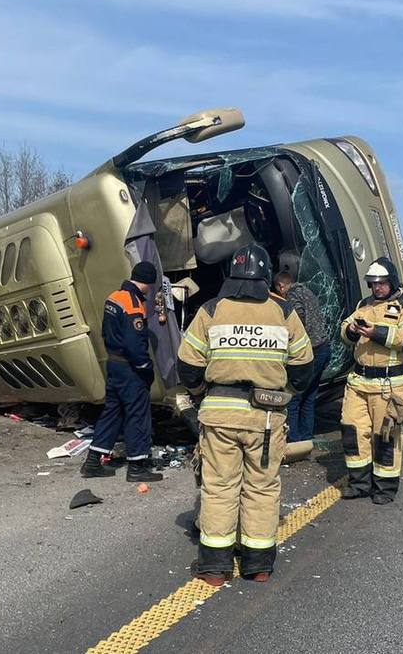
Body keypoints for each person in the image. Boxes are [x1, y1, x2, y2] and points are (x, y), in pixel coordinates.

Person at [177, 244, 314, 586]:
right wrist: (282, 394)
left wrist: (199, 394)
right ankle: (258, 565)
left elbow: (188, 365)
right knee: (262, 488)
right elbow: (303, 368)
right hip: (266, 420)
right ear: (266, 275)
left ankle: (214, 567)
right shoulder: (283, 313)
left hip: (220, 416)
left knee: (220, 487)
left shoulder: (211, 310)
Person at [339, 257, 403, 505]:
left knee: (385, 436)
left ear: (392, 281)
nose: (377, 288)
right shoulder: (364, 304)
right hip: (358, 383)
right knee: (352, 431)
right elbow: (344, 328)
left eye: (382, 283)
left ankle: (384, 488)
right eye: (373, 284)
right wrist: (352, 331)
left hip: (389, 385)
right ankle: (359, 483)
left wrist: (376, 332)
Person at [80, 262, 164, 481]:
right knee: (138, 415)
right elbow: (135, 344)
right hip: (130, 368)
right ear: (147, 282)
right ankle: (137, 467)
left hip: (114, 365)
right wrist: (146, 368)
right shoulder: (134, 304)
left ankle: (92, 463)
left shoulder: (114, 297)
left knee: (112, 413)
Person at [272, 270, 331, 443]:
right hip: (324, 348)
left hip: (311, 351)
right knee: (309, 397)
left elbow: (298, 321)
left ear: (281, 287)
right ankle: (306, 437)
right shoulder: (307, 291)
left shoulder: (292, 296)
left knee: (294, 396)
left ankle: (294, 439)